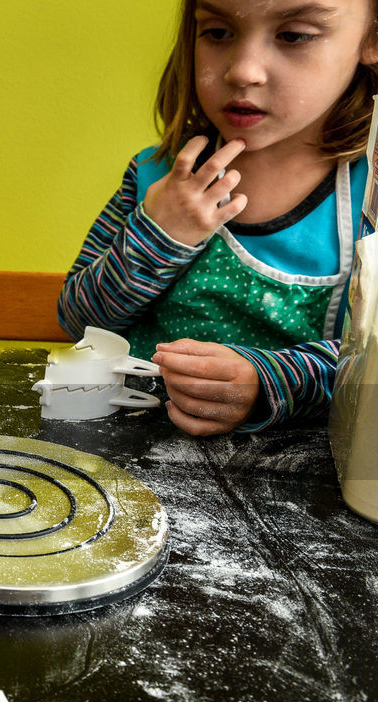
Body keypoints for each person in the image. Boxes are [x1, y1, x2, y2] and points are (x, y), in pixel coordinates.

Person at [60, 0, 378, 435]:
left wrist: (267, 381)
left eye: (294, 35)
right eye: (218, 32)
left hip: (294, 482)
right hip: (130, 450)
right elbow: (79, 322)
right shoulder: (157, 176)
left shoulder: (371, 196)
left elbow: (370, 368)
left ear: (372, 37)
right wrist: (161, 236)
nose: (242, 71)